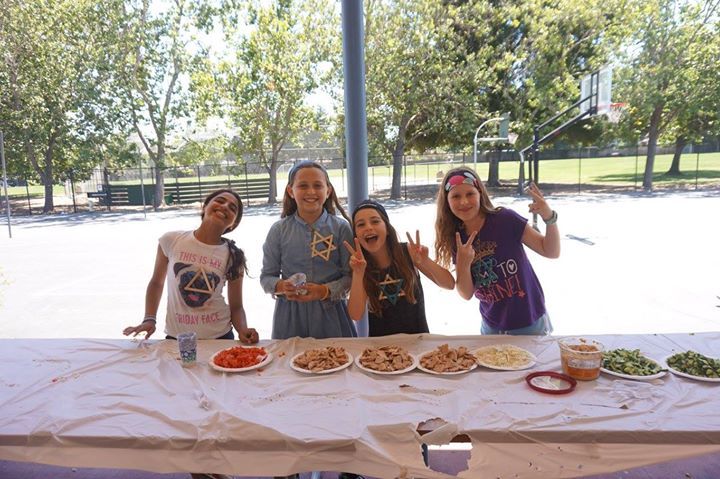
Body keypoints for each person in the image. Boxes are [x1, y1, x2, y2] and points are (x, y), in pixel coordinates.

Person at [123, 188, 259, 344]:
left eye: (232, 208)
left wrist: (242, 329)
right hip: (178, 338)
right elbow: (156, 283)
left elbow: (236, 306)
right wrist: (149, 319)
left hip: (219, 337)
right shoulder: (171, 240)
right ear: (205, 206)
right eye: (220, 201)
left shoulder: (234, 256)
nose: (224, 206)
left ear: (233, 223)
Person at [434, 167, 560, 335]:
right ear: (447, 202)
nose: (464, 202)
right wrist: (463, 264)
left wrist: (549, 218)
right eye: (456, 196)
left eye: (470, 194)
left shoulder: (505, 219)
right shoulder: (456, 237)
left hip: (530, 322)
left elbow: (551, 251)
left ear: (480, 193)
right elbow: (466, 293)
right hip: (491, 327)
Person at [260, 161, 356, 340]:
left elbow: (351, 277)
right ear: (291, 191)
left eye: (317, 186)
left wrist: (325, 290)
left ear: (328, 191)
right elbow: (266, 277)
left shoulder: (342, 229)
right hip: (289, 318)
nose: (311, 192)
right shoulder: (278, 230)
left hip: (332, 315)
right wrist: (281, 286)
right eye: (303, 186)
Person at [343, 199, 455, 336]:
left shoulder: (409, 252)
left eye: (375, 221)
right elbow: (355, 314)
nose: (368, 227)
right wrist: (358, 274)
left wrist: (425, 261)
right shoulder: (360, 265)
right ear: (356, 235)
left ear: (387, 229)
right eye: (361, 224)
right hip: (381, 346)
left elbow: (449, 284)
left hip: (418, 341)